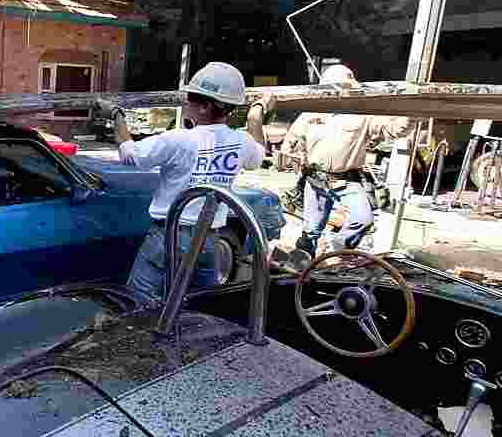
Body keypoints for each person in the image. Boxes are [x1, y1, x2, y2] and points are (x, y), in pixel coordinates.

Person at [94, 61, 271, 301]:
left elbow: (130, 155)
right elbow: (258, 154)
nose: (185, 101)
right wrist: (257, 113)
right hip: (208, 239)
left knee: (138, 298)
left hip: (170, 235)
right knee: (200, 302)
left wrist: (116, 114)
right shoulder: (240, 142)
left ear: (206, 107)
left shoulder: (179, 141)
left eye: (190, 98)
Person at [281, 63, 412, 257]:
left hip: (346, 180)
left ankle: (336, 248)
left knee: (363, 219)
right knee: (310, 231)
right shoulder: (309, 115)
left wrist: (412, 114)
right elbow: (290, 144)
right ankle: (304, 265)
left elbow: (393, 130)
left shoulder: (364, 115)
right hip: (315, 181)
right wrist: (290, 157)